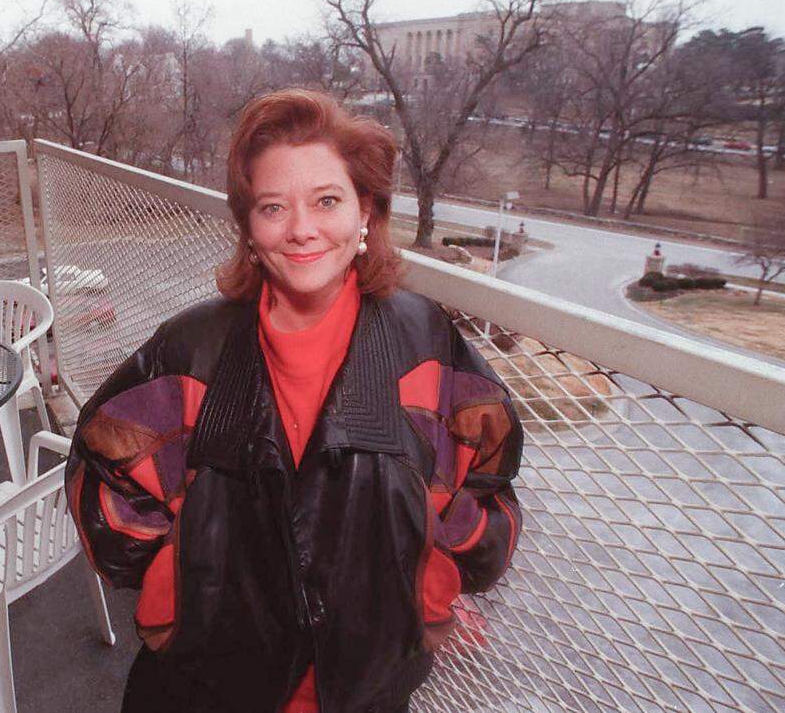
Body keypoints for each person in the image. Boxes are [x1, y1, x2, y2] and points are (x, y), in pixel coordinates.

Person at [65, 88, 524, 712]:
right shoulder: (192, 348)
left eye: (327, 201)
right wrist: (181, 593)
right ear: (250, 229)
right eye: (273, 207)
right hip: (205, 691)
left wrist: (429, 583)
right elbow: (103, 472)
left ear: (366, 211)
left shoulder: (424, 342)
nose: (302, 230)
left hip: (365, 691)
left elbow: (487, 479)